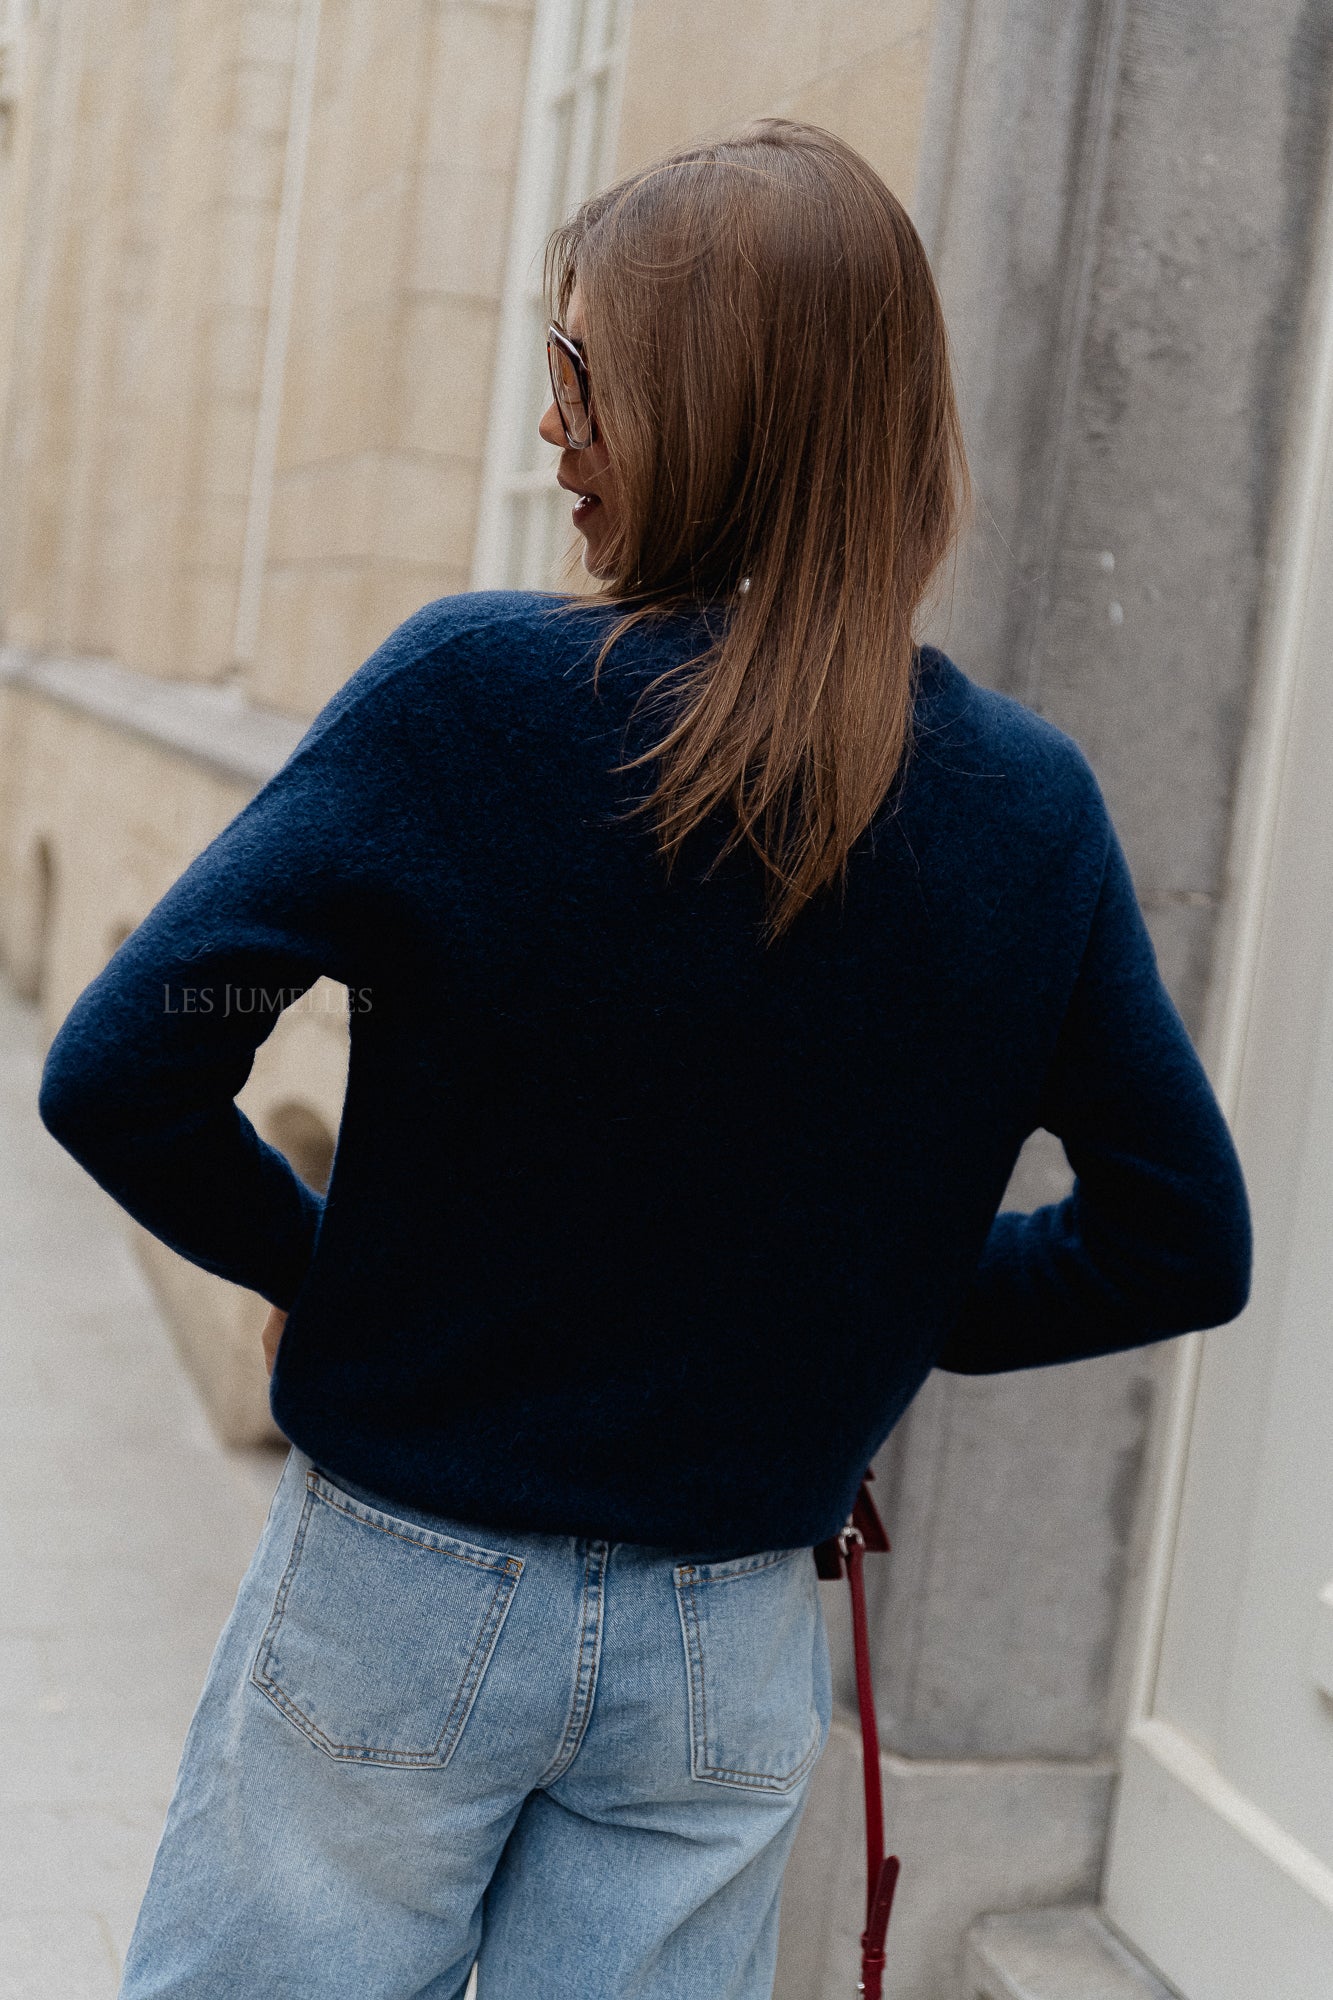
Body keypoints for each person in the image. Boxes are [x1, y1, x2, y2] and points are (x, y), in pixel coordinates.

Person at [36, 118, 1251, 2000]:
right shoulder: (1025, 809)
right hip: (723, 1643)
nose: (553, 432)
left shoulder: (469, 703)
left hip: (398, 1594)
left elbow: (135, 1059)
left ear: (697, 407)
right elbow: (1174, 1238)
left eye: (576, 375)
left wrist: (332, 1272)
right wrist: (851, 1308)